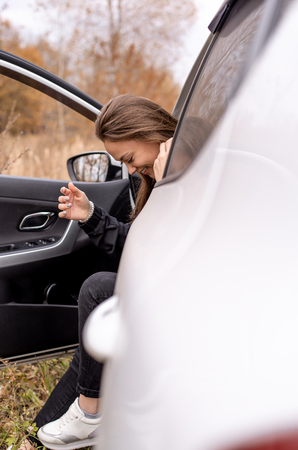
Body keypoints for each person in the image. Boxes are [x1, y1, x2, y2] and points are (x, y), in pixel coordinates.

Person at [17, 94, 177, 450]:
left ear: (152, 134)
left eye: (130, 159)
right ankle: (36, 439)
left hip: (188, 297)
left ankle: (87, 415)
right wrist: (91, 215)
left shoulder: (189, 176)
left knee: (100, 289)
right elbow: (138, 248)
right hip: (164, 290)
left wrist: (170, 189)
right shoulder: (155, 179)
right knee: (94, 339)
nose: (132, 171)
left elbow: (178, 247)